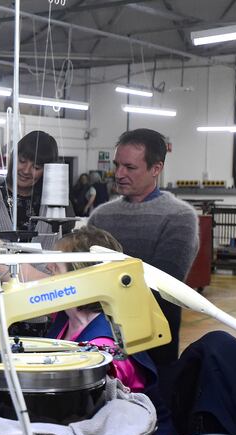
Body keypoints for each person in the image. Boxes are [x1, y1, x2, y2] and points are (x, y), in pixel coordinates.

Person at [45, 226, 175, 435]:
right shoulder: (66, 321)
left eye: (55, 267)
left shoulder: (108, 339)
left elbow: (91, 396)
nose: (47, 269)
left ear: (83, 276)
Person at [88, 129, 199, 369]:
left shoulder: (179, 217)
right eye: (117, 165)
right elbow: (83, 272)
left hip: (154, 342)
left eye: (129, 167)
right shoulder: (101, 216)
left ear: (156, 169)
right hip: (98, 338)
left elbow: (165, 283)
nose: (119, 174)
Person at [0, 130, 59, 296]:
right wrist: (14, 275)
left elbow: (51, 261)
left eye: (36, 167)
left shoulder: (51, 207)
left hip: (35, 309)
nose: (26, 170)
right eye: (22, 161)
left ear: (47, 170)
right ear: (13, 157)